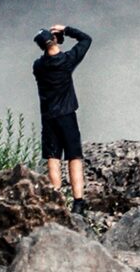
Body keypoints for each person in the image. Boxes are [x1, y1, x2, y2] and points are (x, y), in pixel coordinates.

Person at [32, 23, 92, 213]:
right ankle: (78, 202)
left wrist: (54, 38)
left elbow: (48, 53)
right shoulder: (66, 61)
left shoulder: (38, 66)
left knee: (53, 156)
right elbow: (86, 39)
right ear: (56, 40)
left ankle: (56, 200)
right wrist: (66, 29)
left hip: (48, 117)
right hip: (66, 115)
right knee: (74, 156)